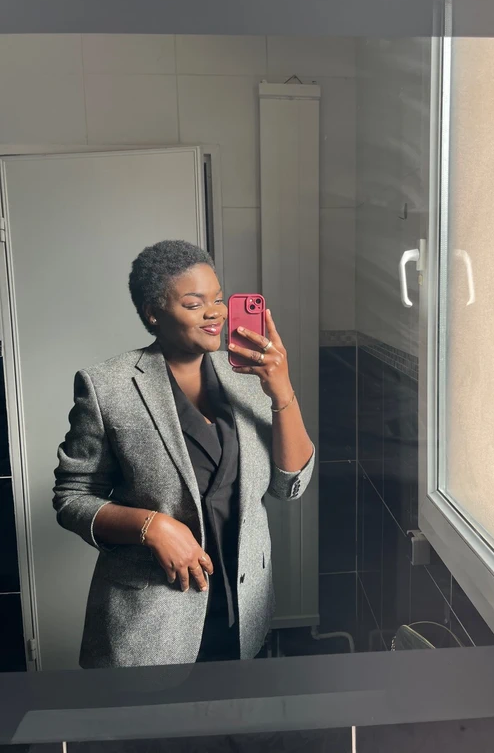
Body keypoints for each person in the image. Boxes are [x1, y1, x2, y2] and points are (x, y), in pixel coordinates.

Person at [53, 239, 315, 669]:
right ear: (153, 314)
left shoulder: (249, 376)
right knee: (148, 718)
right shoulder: (107, 386)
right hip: (149, 623)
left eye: (218, 298)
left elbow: (291, 485)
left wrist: (282, 391)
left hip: (241, 611)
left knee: (233, 712)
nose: (215, 313)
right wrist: (151, 527)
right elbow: (71, 498)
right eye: (195, 304)